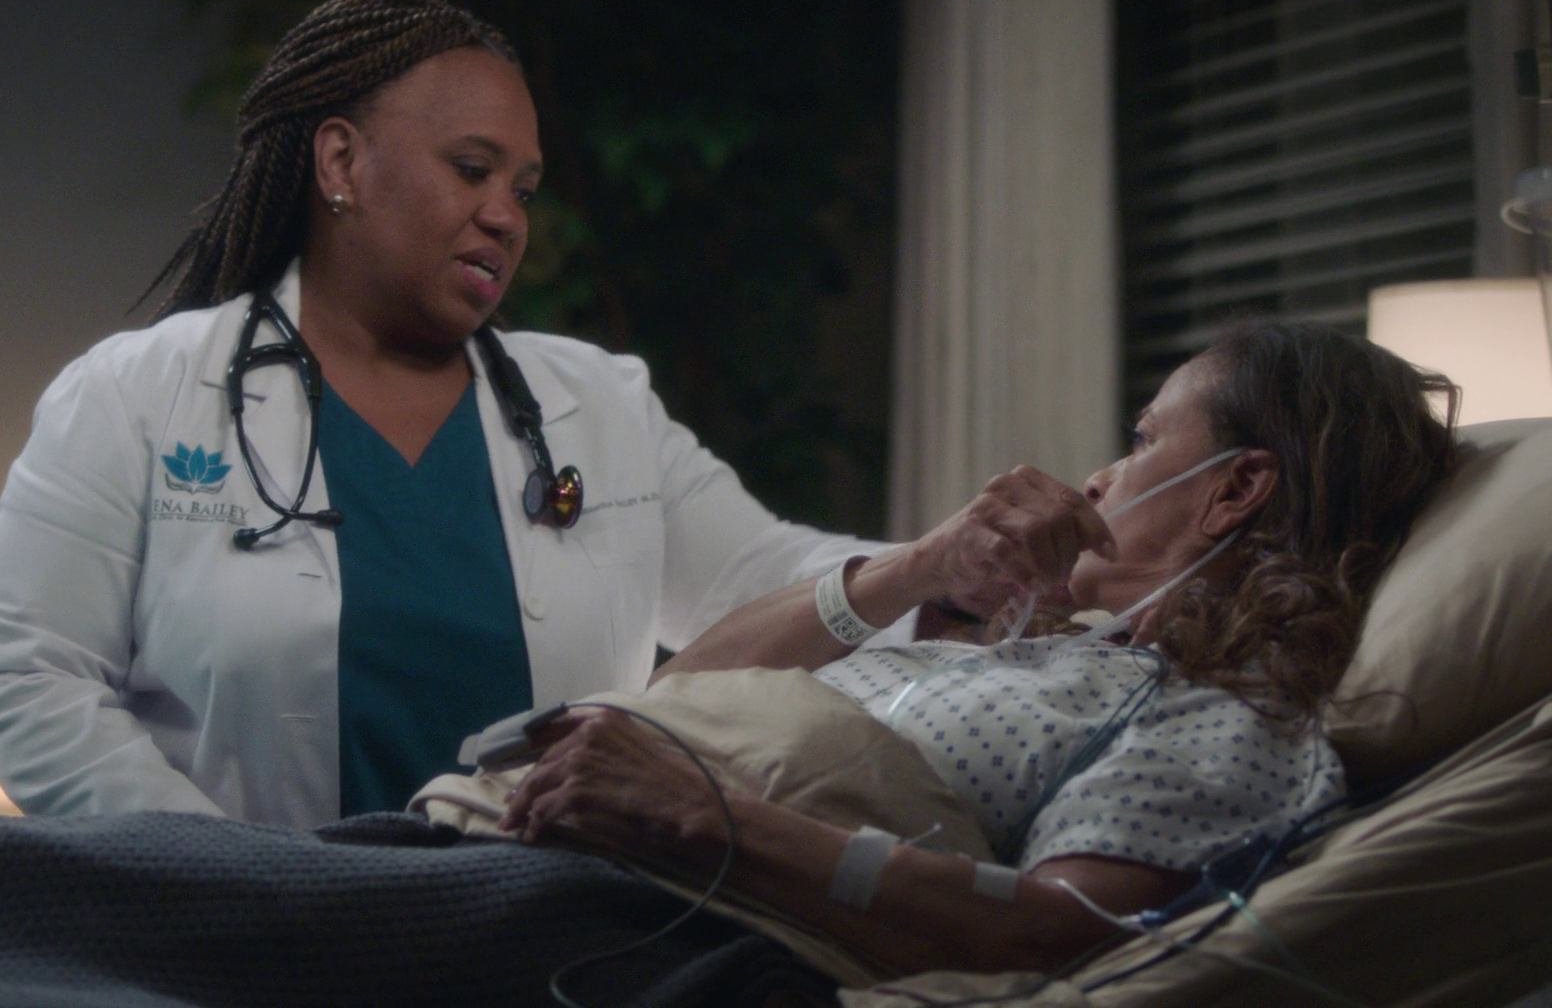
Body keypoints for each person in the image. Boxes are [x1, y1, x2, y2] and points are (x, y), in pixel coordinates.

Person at [0, 0, 874, 828]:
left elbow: (769, 578)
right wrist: (222, 872)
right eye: (472, 169)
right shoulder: (136, 396)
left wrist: (926, 570)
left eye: (522, 190)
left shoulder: (601, 409)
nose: (507, 216)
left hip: (545, 924)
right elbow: (26, 676)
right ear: (342, 162)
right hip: (242, 927)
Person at [498, 318, 1459, 976]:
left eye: (1142, 440)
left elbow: (1050, 933)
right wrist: (916, 568)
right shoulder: (1022, 648)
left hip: (642, 928)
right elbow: (673, 694)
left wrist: (698, 817)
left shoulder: (1217, 723)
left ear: (1235, 490)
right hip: (531, 842)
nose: (1099, 476)